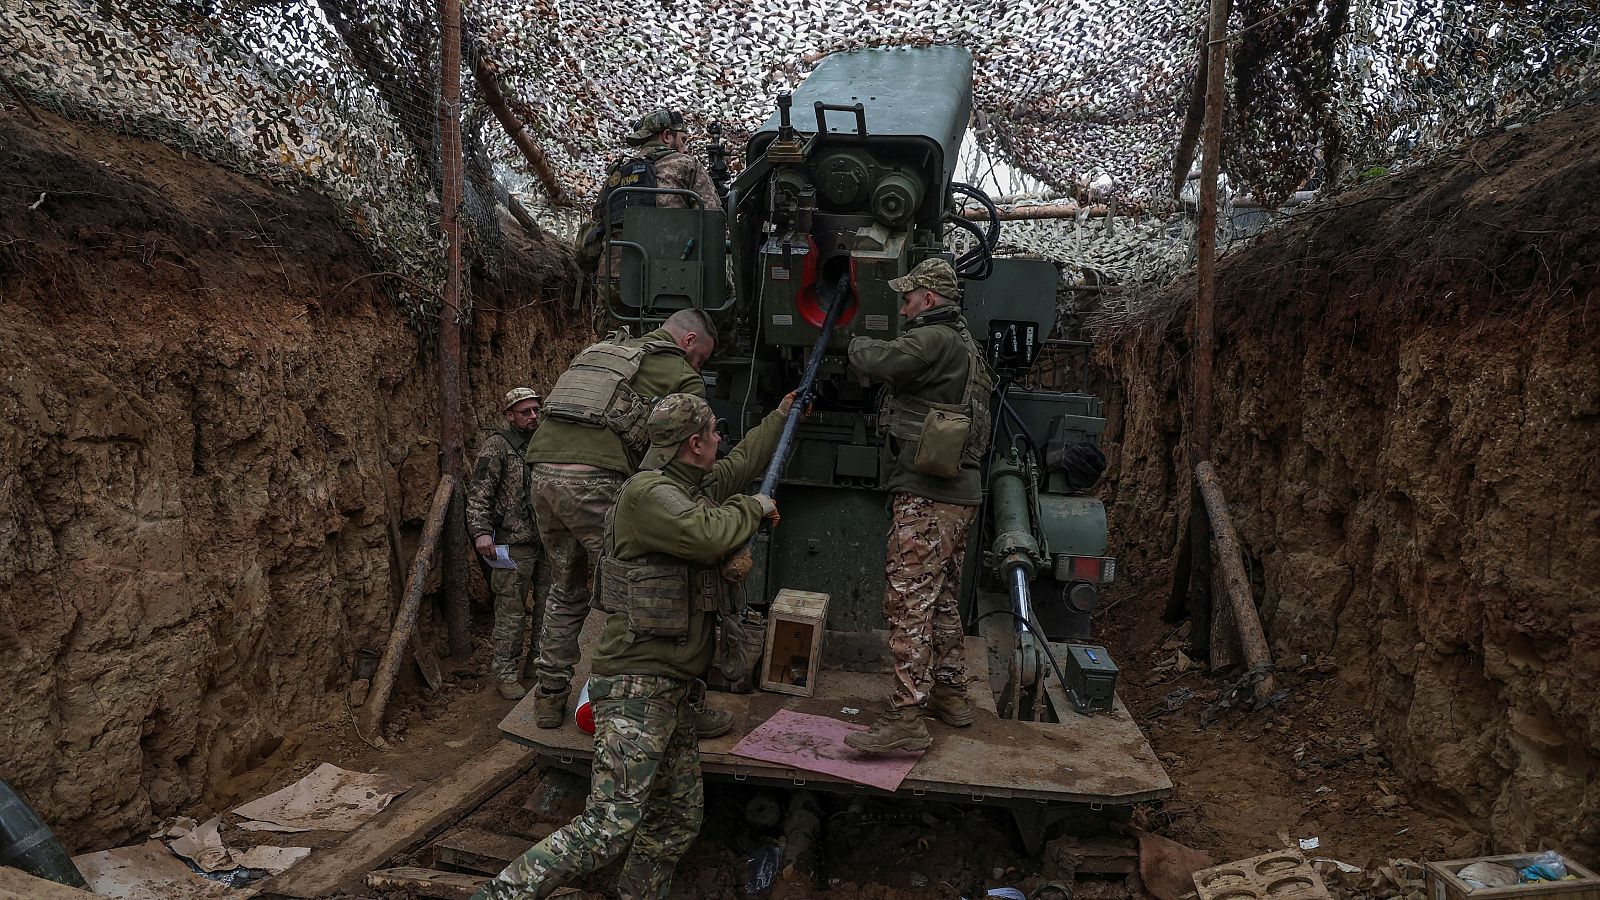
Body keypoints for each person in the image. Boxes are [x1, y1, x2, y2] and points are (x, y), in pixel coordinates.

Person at [472, 391, 792, 900]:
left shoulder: (685, 482)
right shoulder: (650, 495)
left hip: (673, 689)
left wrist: (783, 415)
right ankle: (497, 896)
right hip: (636, 687)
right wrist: (753, 507)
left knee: (675, 820)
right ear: (694, 443)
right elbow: (707, 534)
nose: (718, 442)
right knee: (608, 828)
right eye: (713, 433)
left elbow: (740, 466)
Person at [523, 308, 725, 734]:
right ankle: (673, 702)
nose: (699, 368)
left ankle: (549, 697)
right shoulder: (681, 375)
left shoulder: (601, 350)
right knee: (644, 588)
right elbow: (687, 454)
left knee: (567, 585)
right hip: (598, 479)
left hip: (541, 473)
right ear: (689, 342)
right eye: (701, 358)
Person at [843, 258, 994, 753]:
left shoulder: (934, 338)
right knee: (944, 600)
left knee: (907, 601)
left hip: (929, 497)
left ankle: (906, 716)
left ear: (929, 299)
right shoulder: (965, 342)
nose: (903, 307)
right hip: (958, 494)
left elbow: (879, 362)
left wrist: (854, 340)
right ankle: (951, 695)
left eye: (908, 298)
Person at [465, 388, 544, 700]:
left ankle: (538, 666)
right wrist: (481, 532)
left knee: (548, 609)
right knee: (511, 612)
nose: (533, 416)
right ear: (510, 415)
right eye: (525, 412)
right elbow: (479, 492)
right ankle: (505, 673)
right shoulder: (496, 447)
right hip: (513, 543)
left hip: (547, 541)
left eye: (536, 410)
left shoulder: (546, 441)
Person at [578, 108, 720, 280]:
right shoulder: (689, 165)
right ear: (667, 136)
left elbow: (594, 228)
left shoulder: (618, 173)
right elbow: (712, 220)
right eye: (683, 140)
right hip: (674, 279)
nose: (684, 147)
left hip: (615, 283)